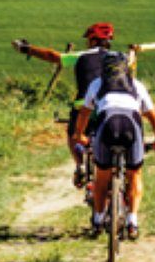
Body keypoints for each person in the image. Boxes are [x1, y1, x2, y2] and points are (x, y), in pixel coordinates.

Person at [73, 51, 155, 240]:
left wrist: (78, 134)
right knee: (135, 174)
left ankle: (98, 220)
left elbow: (84, 113)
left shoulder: (97, 84)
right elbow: (153, 116)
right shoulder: (137, 85)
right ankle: (132, 221)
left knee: (102, 177)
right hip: (130, 126)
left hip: (106, 124)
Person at [12, 22, 116, 188]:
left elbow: (53, 56)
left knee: (74, 134)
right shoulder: (118, 58)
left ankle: (80, 164)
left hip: (84, 105)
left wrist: (27, 48)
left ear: (92, 40)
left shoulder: (82, 56)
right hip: (111, 105)